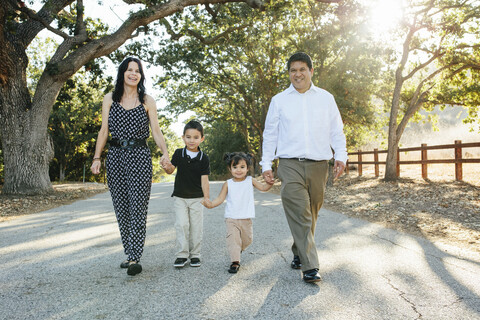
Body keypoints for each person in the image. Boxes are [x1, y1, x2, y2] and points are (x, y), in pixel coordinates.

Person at [260, 52, 347, 283]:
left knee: (311, 214)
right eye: (292, 70)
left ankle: (299, 251)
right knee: (301, 212)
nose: (297, 74)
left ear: (311, 71)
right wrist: (266, 164)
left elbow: (336, 131)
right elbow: (270, 135)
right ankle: (310, 267)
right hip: (289, 165)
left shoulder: (326, 98)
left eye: (301, 69)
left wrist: (341, 156)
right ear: (289, 73)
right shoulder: (279, 100)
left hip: (319, 165)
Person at [91, 57, 169, 276]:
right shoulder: (109, 99)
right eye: (129, 70)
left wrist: (165, 152)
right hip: (115, 156)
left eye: (137, 71)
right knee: (122, 208)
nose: (133, 74)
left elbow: (156, 130)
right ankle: (129, 253)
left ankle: (135, 256)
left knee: (138, 208)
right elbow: (104, 130)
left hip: (139, 156)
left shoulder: (147, 100)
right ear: (122, 73)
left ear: (141, 75)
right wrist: (97, 158)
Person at [203, 152, 272, 274]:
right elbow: (220, 198)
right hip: (232, 218)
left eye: (242, 167)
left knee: (248, 240)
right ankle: (235, 262)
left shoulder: (251, 180)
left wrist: (269, 184)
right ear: (230, 169)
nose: (238, 170)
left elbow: (263, 188)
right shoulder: (228, 183)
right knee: (233, 240)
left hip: (246, 218)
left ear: (247, 168)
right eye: (235, 167)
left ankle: (238, 250)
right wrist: (211, 204)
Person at [161, 120, 210, 268]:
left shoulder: (203, 158)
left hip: (197, 198)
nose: (191, 140)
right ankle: (182, 255)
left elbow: (205, 180)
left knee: (196, 227)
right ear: (183, 137)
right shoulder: (178, 153)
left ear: (202, 138)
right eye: (188, 137)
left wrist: (206, 198)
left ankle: (195, 255)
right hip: (180, 197)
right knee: (181, 224)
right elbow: (171, 170)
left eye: (195, 137)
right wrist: (166, 167)